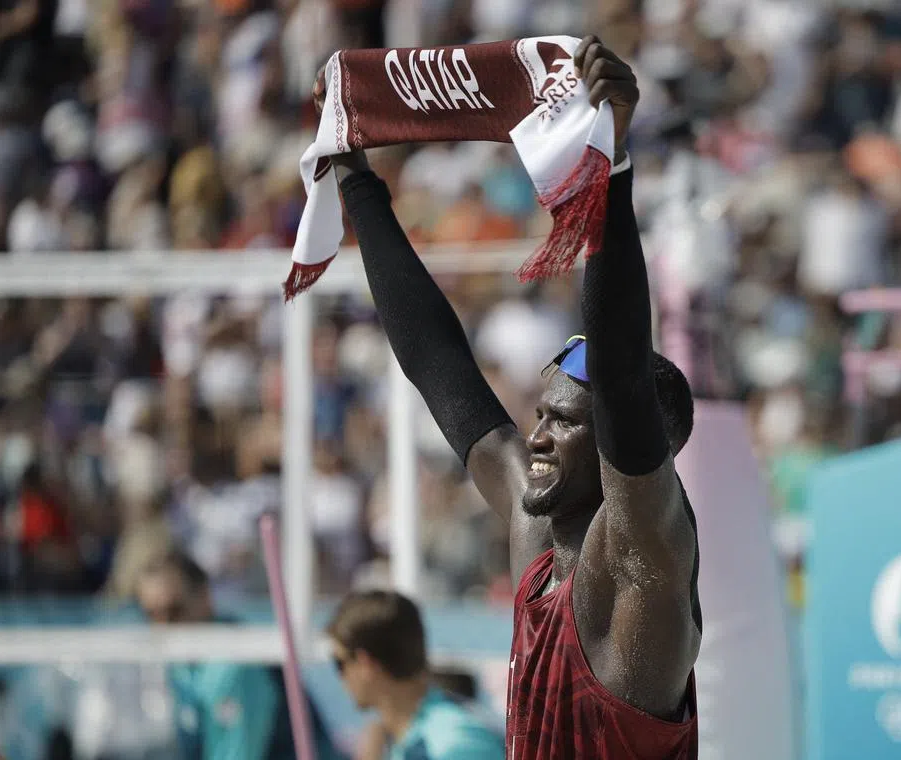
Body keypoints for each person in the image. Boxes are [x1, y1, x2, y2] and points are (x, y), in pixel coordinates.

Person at [316, 34, 700, 758]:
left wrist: (610, 165)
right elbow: (441, 371)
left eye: (567, 422)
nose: (540, 435)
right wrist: (355, 180)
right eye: (542, 414)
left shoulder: (642, 560)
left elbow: (618, 378)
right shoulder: (537, 535)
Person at [136, 550, 344, 760]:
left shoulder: (234, 665)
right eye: (151, 614)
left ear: (204, 597)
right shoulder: (182, 661)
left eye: (173, 610)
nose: (162, 626)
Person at [327, 590, 505, 759]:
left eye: (339, 663)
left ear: (364, 663)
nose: (339, 676)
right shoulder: (403, 736)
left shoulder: (454, 744)